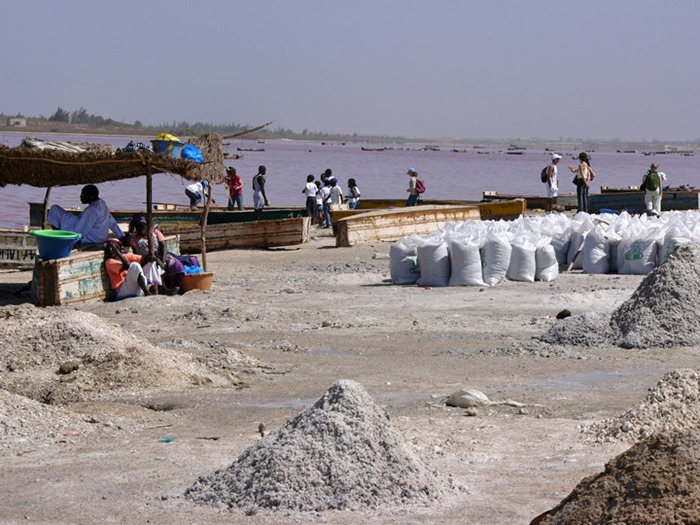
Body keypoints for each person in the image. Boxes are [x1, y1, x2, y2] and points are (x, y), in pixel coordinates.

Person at [48, 184, 123, 246]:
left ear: (91, 196)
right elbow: (112, 223)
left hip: (89, 239)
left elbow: (81, 230)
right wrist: (121, 236)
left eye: (83, 194)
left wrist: (67, 243)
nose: (80, 197)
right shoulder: (101, 204)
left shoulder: (92, 210)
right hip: (100, 238)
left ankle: (57, 237)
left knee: (55, 209)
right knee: (64, 215)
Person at [126, 213, 183, 293]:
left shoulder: (155, 232)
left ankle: (171, 285)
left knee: (174, 263)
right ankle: (163, 289)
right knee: (154, 264)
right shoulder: (134, 238)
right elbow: (126, 242)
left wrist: (162, 261)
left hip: (159, 256)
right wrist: (130, 231)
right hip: (145, 260)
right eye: (138, 225)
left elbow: (163, 246)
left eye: (143, 225)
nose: (141, 228)